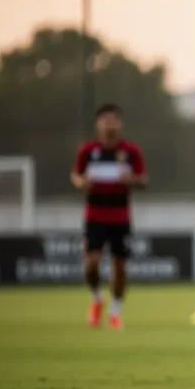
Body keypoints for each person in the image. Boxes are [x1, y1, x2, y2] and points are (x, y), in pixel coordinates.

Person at [71, 103, 147, 331]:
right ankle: (97, 299)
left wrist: (131, 180)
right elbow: (76, 175)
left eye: (113, 120)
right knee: (91, 264)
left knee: (120, 267)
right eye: (105, 120)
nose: (109, 125)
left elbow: (144, 180)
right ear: (98, 124)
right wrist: (82, 182)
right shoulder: (88, 150)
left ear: (120, 124)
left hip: (120, 217)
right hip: (94, 215)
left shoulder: (130, 151)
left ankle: (115, 312)